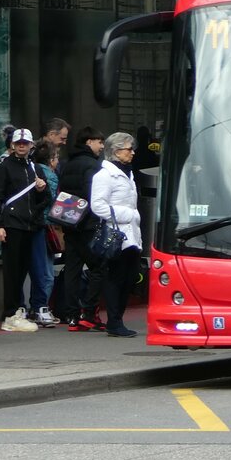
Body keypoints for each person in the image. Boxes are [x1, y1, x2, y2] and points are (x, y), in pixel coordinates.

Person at [0, 128, 49, 333]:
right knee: (12, 271)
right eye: (19, 143)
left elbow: (44, 199)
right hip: (12, 224)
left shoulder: (35, 168)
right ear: (13, 146)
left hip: (29, 225)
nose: (22, 146)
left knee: (23, 270)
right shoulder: (5, 167)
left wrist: (41, 191)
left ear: (31, 145)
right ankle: (10, 314)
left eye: (26, 143)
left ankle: (16, 312)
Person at [90, 132, 144, 338]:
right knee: (116, 277)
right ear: (116, 151)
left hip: (131, 233)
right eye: (128, 149)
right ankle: (114, 321)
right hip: (116, 233)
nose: (132, 152)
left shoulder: (128, 173)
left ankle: (117, 319)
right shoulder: (104, 176)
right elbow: (98, 205)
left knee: (129, 278)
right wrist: (127, 215)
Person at [57, 126, 107, 331]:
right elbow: (92, 195)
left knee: (72, 270)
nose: (102, 146)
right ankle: (89, 312)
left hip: (70, 222)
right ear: (89, 142)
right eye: (99, 142)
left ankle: (71, 316)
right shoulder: (93, 166)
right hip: (88, 224)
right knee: (99, 267)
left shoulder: (67, 164)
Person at [27, 140, 61, 327]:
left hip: (31, 224)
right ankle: (41, 308)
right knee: (45, 271)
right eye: (56, 157)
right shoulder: (50, 175)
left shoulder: (31, 169)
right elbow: (54, 200)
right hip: (46, 225)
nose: (57, 161)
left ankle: (34, 307)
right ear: (50, 160)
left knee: (35, 268)